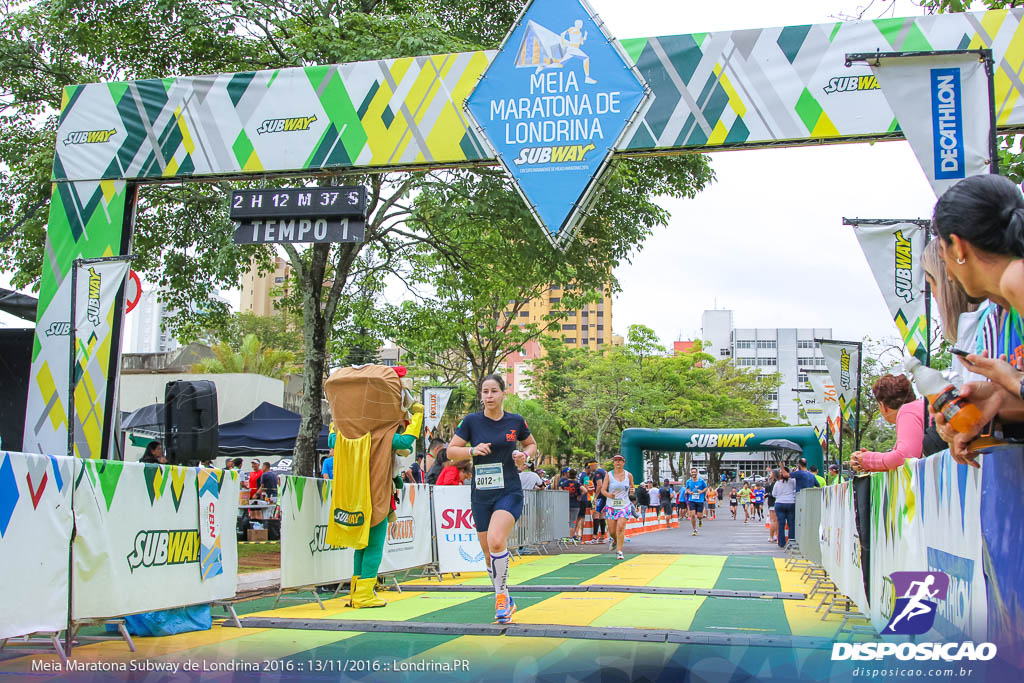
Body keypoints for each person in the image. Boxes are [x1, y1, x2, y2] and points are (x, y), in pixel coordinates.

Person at [932, 174, 1024, 463]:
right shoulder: (1003, 312)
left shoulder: (1016, 279)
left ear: (958, 247)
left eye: (943, 255)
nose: (947, 274)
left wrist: (1014, 382)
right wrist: (993, 406)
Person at [447, 373, 537, 624]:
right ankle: (506, 596)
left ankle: (499, 597)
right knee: (488, 553)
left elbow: (531, 445)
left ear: (502, 393)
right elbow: (450, 451)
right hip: (481, 494)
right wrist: (471, 450)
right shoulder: (471, 421)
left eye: (493, 391)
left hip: (508, 490)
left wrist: (525, 457)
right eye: (485, 392)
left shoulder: (515, 421)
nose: (489, 396)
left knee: (498, 542)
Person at [850, 375, 924, 473]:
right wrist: (869, 463)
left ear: (883, 405)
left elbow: (905, 457)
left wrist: (869, 459)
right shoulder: (919, 408)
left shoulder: (907, 411)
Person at [598, 454, 634, 560]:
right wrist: (609, 495)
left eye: (620, 460)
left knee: (620, 527)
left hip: (624, 505)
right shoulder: (609, 475)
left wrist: (632, 491)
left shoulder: (629, 475)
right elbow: (603, 490)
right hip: (611, 505)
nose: (617, 462)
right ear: (613, 463)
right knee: (612, 531)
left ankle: (619, 551)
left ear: (623, 462)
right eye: (615, 461)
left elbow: (632, 487)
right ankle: (615, 540)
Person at [772, 466, 797, 549]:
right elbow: (795, 490)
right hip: (791, 503)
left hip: (779, 503)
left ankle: (781, 543)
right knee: (791, 524)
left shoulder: (777, 483)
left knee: (781, 524)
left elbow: (773, 494)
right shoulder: (793, 481)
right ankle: (791, 542)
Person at [583, 459, 607, 545]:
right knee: (601, 515)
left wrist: (595, 497)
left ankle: (594, 537)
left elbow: (600, 485)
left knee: (596, 514)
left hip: (601, 496)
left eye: (590, 467)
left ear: (593, 465)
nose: (589, 469)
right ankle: (602, 537)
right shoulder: (603, 471)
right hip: (605, 496)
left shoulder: (597, 473)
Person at [683, 468, 708, 536]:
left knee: (699, 516)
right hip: (692, 500)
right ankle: (694, 529)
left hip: (700, 500)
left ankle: (700, 520)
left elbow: (706, 487)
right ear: (690, 473)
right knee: (693, 514)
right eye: (692, 472)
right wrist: (689, 492)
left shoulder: (701, 481)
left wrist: (702, 491)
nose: (693, 473)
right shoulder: (688, 481)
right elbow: (687, 488)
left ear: (697, 473)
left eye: (694, 472)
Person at [766, 470, 778, 543]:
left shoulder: (774, 484)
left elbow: (773, 494)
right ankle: (776, 535)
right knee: (776, 521)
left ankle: (771, 536)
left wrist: (767, 494)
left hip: (772, 503)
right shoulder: (775, 483)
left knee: (773, 520)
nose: (769, 474)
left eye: (770, 473)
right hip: (775, 503)